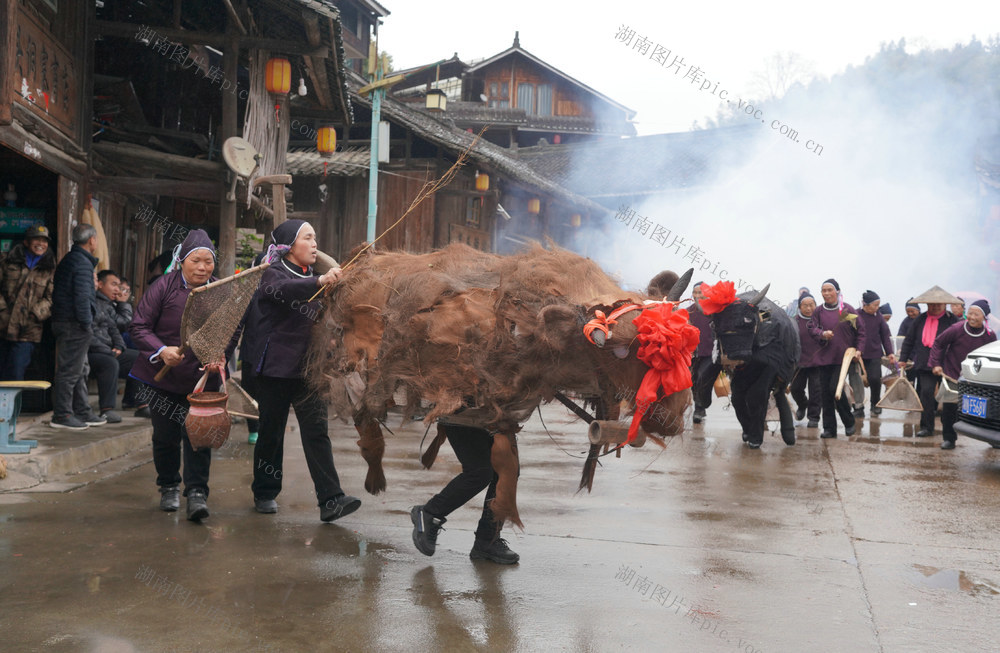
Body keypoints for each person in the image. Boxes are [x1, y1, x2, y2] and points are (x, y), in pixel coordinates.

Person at [247, 219, 360, 522]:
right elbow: (280, 291)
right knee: (271, 433)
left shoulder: (316, 276)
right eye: (307, 238)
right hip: (275, 369)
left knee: (317, 433)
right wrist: (320, 282)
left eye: (315, 238)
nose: (314, 244)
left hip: (309, 368)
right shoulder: (273, 273)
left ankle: (331, 499)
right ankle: (265, 491)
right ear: (289, 246)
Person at [130, 230, 227, 521]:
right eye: (196, 261)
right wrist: (161, 350)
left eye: (208, 262)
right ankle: (169, 485)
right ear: (181, 261)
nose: (202, 267)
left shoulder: (219, 290)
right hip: (164, 376)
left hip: (202, 379)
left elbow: (231, 329)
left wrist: (219, 356)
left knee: (200, 436)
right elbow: (138, 326)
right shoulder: (164, 286)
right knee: (166, 435)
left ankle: (197, 493)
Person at [411, 420, 520, 564]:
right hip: (463, 411)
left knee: (507, 471)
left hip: (497, 414)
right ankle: (430, 513)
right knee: (479, 472)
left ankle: (487, 540)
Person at [50, 224, 106, 430]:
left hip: (69, 322)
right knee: (70, 371)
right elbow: (82, 297)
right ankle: (62, 414)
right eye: (97, 239)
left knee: (81, 369)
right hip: (73, 324)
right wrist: (86, 324)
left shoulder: (74, 260)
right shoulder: (81, 263)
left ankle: (82, 411)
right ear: (91, 240)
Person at [929, 300, 996, 449]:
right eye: (970, 313)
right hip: (953, 374)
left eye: (976, 314)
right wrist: (936, 364)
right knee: (949, 409)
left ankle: (992, 438)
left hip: (977, 378)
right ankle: (949, 439)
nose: (971, 317)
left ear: (984, 317)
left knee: (988, 409)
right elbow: (938, 343)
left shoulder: (990, 335)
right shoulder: (957, 328)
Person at [898, 291, 959, 438]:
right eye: (932, 304)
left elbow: (959, 342)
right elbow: (909, 340)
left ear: (944, 304)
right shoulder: (920, 319)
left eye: (938, 304)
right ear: (927, 305)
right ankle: (926, 427)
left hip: (947, 365)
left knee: (949, 397)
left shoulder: (953, 320)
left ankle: (950, 427)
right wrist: (903, 358)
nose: (935, 307)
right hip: (926, 363)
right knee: (926, 393)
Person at [808, 278, 862, 438]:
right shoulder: (818, 311)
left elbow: (861, 331)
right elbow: (812, 328)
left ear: (837, 291)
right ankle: (829, 429)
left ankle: (849, 421)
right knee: (826, 394)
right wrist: (822, 334)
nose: (826, 293)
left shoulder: (847, 310)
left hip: (843, 359)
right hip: (824, 358)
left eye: (829, 290)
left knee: (835, 389)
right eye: (823, 290)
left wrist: (859, 350)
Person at [0, 224, 55, 380]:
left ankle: (13, 405)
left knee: (16, 374)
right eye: (36, 239)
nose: (40, 244)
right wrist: (2, 310)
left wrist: (34, 314)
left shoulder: (50, 267)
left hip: (28, 331)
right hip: (2, 325)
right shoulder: (7, 260)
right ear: (26, 242)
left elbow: (52, 298)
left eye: (44, 241)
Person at [88, 270, 141, 423]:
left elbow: (114, 329)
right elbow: (88, 333)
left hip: (107, 349)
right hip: (92, 351)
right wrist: (107, 350)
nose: (118, 290)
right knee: (109, 362)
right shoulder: (93, 303)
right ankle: (106, 410)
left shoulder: (108, 305)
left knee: (140, 358)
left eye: (119, 286)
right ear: (100, 284)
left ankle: (141, 404)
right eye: (114, 285)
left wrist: (119, 347)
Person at [856, 291, 896, 416]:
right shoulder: (855, 315)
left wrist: (890, 352)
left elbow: (885, 335)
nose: (877, 308)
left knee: (874, 379)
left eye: (878, 305)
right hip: (858, 355)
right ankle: (858, 407)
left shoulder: (878, 316)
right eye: (875, 305)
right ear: (865, 305)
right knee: (858, 381)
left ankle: (875, 403)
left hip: (874, 353)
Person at [689, 282, 721, 424]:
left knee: (703, 377)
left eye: (700, 292)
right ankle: (699, 407)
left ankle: (700, 408)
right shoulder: (687, 311)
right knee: (693, 381)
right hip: (692, 354)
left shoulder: (715, 311)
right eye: (695, 292)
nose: (697, 295)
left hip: (710, 353)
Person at [790, 292, 821, 427]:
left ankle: (813, 417)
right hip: (799, 363)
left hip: (818, 362)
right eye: (805, 306)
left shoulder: (820, 319)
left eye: (811, 305)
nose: (809, 309)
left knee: (816, 390)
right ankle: (803, 405)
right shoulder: (794, 321)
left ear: (815, 305)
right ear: (799, 307)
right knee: (795, 389)